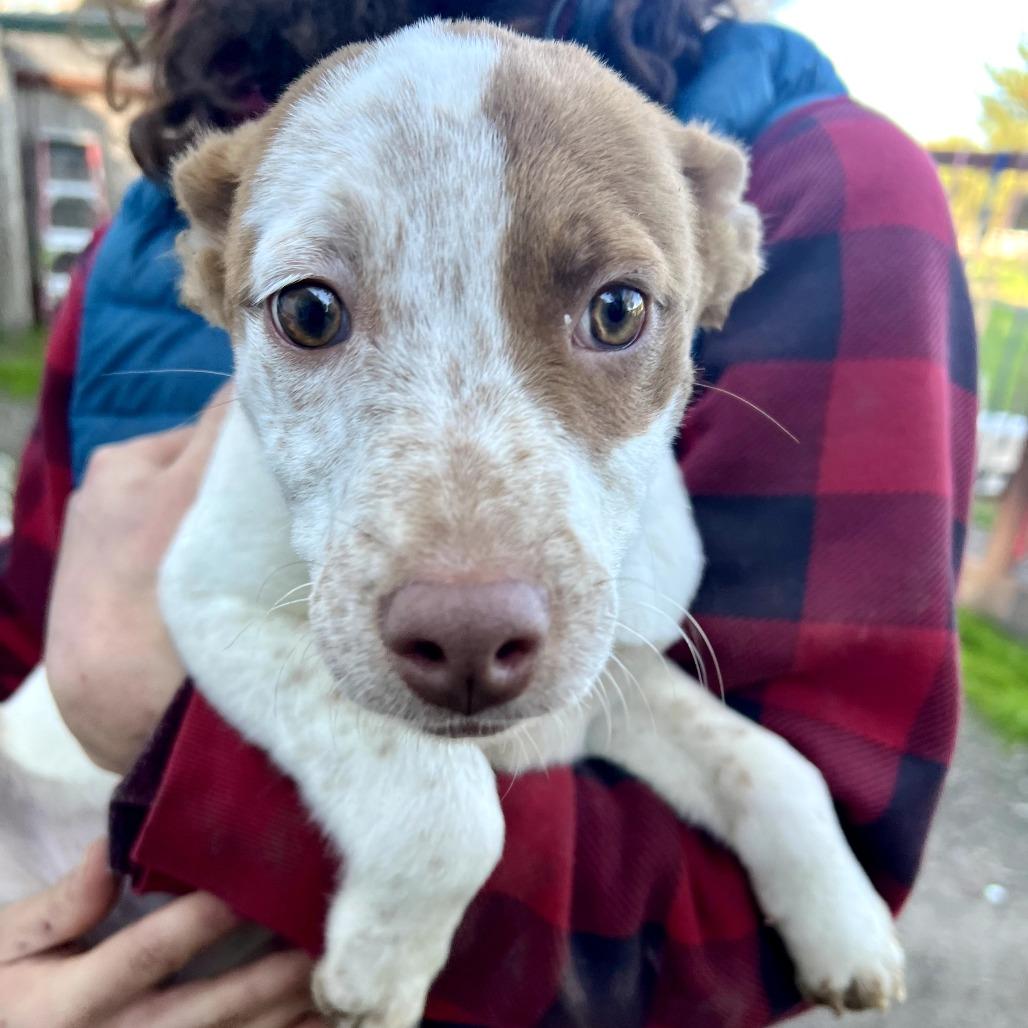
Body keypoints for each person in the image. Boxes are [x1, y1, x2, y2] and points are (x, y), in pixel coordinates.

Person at [0, 1, 975, 1025]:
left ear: (725, 248)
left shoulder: (814, 181)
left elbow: (723, 929)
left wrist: (150, 709)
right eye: (311, 313)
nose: (464, 579)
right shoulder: (150, 232)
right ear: (210, 262)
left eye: (611, 313)